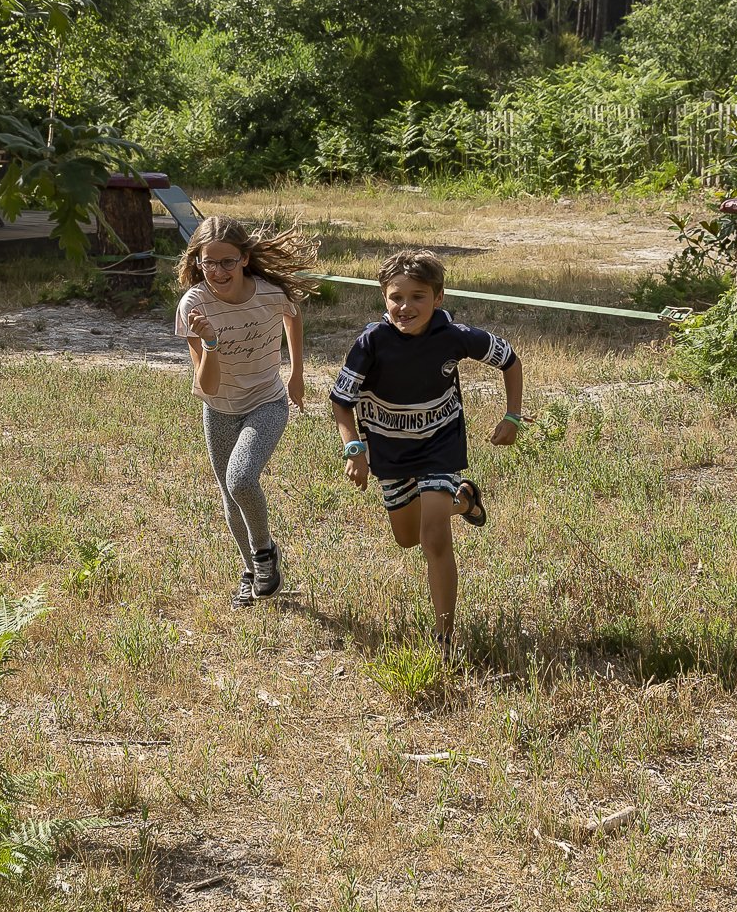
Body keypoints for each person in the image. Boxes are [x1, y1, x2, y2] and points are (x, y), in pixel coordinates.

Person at [330, 250, 524, 643]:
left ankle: (445, 637)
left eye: (418, 296)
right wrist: (354, 449)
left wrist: (512, 416)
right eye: (396, 297)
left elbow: (510, 360)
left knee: (434, 536)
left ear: (438, 298)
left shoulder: (456, 336)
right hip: (389, 451)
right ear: (383, 297)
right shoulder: (371, 342)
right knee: (408, 538)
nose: (406, 306)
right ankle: (466, 500)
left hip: (440, 443)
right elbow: (340, 400)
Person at [174, 215, 310, 605]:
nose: (217, 271)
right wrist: (211, 343)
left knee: (241, 479)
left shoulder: (269, 293)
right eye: (208, 262)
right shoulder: (194, 306)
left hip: (266, 401)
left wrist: (296, 372)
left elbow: (293, 313)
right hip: (219, 408)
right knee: (229, 497)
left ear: (245, 259)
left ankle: (264, 553)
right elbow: (208, 386)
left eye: (227, 262)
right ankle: (250, 570)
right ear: (197, 261)